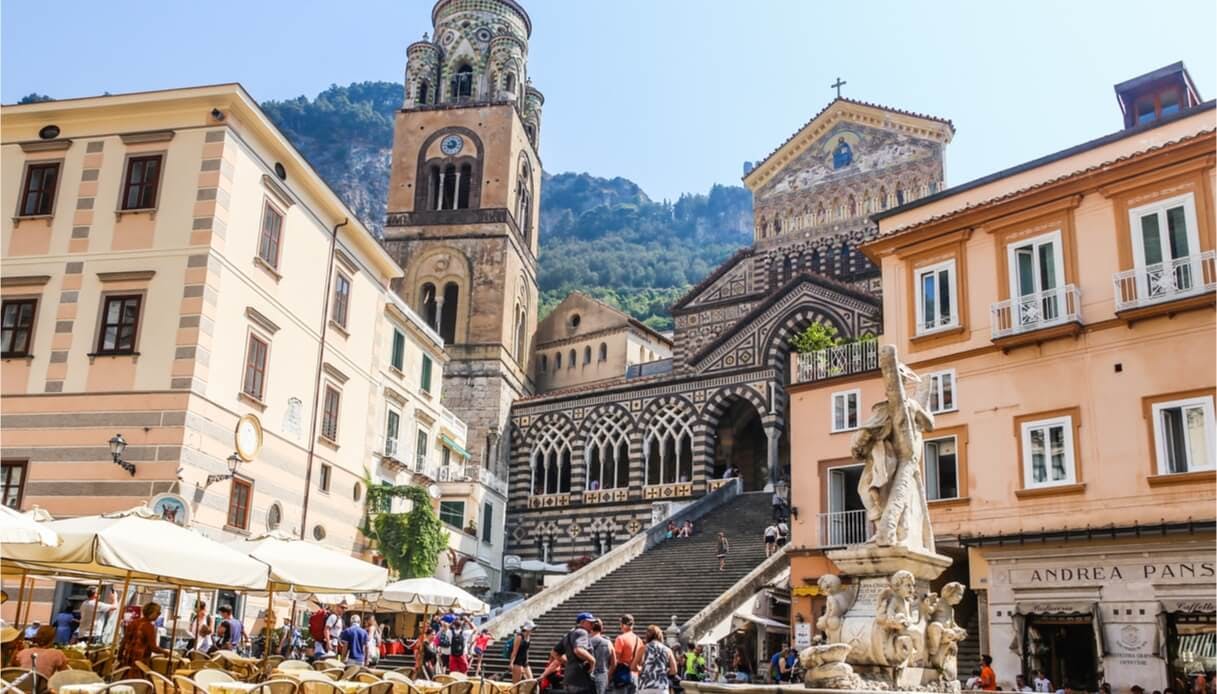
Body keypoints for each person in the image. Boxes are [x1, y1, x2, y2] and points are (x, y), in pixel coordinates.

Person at [118, 602, 168, 670]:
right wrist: (165, 652)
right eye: (158, 613)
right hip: (139, 662)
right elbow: (153, 647)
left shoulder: (133, 622)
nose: (159, 615)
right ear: (151, 612)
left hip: (127, 658)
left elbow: (124, 641)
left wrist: (119, 655)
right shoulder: (148, 626)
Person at [560, 612, 598, 694]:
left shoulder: (568, 634)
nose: (593, 625)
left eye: (593, 623)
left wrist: (568, 663)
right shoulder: (582, 632)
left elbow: (555, 652)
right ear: (582, 622)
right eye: (590, 622)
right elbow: (578, 650)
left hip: (569, 679)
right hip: (581, 680)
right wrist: (592, 661)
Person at [633, 625, 676, 694]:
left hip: (645, 685)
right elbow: (674, 670)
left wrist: (641, 670)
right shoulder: (668, 650)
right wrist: (664, 672)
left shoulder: (643, 649)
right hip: (661, 686)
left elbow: (633, 666)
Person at [613, 614, 641, 694]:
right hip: (635, 675)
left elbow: (616, 659)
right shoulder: (638, 640)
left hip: (623, 675)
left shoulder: (620, 638)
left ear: (622, 624)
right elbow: (641, 661)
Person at [589, 619, 616, 694]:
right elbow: (614, 663)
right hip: (602, 675)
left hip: (587, 677)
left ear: (591, 628)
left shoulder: (586, 641)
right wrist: (608, 676)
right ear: (602, 629)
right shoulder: (608, 643)